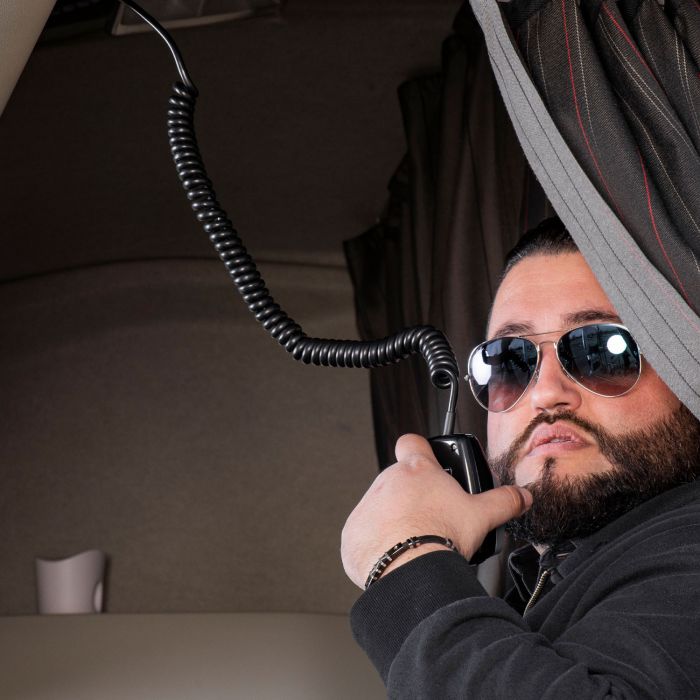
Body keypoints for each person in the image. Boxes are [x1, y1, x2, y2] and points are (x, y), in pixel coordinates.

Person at [341, 217, 700, 698]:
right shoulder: (547, 579)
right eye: (509, 361)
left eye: (601, 350)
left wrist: (407, 559)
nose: (545, 394)